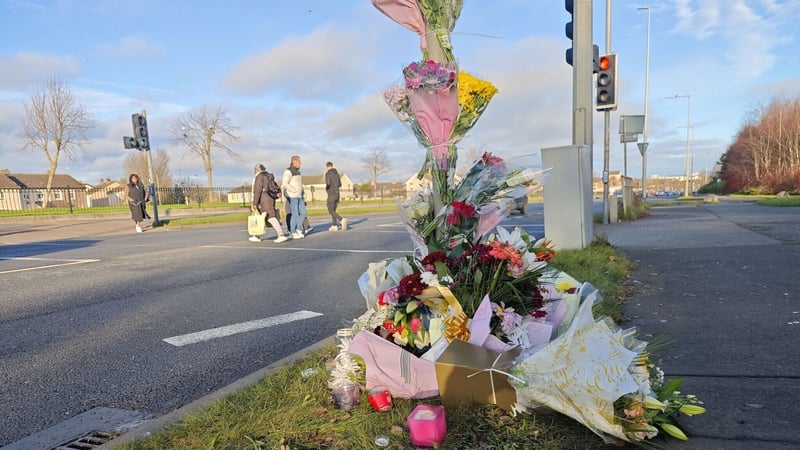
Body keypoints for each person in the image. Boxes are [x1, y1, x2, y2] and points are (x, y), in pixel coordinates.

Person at [250, 163, 288, 243]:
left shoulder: (259, 176)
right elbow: (276, 187)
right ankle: (256, 235)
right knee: (261, 217)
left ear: (257, 169)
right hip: (270, 197)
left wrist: (255, 203)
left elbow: (257, 190)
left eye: (254, 170)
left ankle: (281, 235)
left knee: (270, 217)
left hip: (263, 198)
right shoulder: (269, 176)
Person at [281, 155, 307, 239]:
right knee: (295, 214)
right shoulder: (288, 171)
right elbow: (285, 183)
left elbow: (300, 184)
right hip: (293, 196)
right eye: (299, 162)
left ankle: (298, 229)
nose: (300, 163)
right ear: (294, 162)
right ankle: (292, 232)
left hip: (300, 197)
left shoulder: (299, 172)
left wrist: (303, 193)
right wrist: (293, 190)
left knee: (303, 213)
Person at [325, 161, 346, 231]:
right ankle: (334, 225)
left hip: (331, 193)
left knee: (330, 210)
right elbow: (340, 184)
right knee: (334, 210)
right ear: (332, 166)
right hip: (337, 194)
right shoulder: (337, 174)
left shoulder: (328, 174)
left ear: (327, 167)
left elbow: (328, 183)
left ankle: (341, 219)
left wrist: (327, 189)